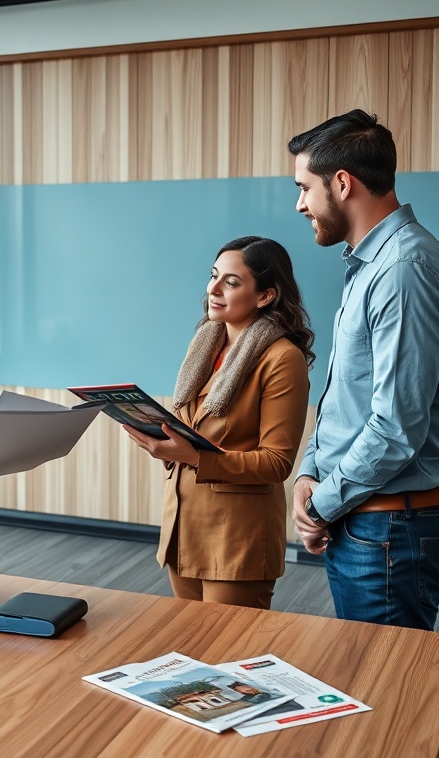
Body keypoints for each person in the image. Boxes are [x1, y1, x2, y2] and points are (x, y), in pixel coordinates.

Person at [288, 109, 439, 631]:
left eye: (305, 187)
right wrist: (311, 473)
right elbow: (347, 399)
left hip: (393, 527)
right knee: (369, 682)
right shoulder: (374, 265)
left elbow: (396, 427)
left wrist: (322, 502)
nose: (300, 202)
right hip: (374, 518)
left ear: (342, 183)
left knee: (383, 696)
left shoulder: (403, 271)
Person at [123, 236, 314, 609]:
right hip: (184, 529)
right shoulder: (205, 344)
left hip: (236, 538)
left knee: (230, 658)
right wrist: (160, 441)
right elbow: (190, 429)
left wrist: (195, 458)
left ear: (265, 296)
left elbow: (277, 462)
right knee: (192, 651)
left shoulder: (281, 359)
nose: (213, 289)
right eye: (213, 277)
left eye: (231, 282)